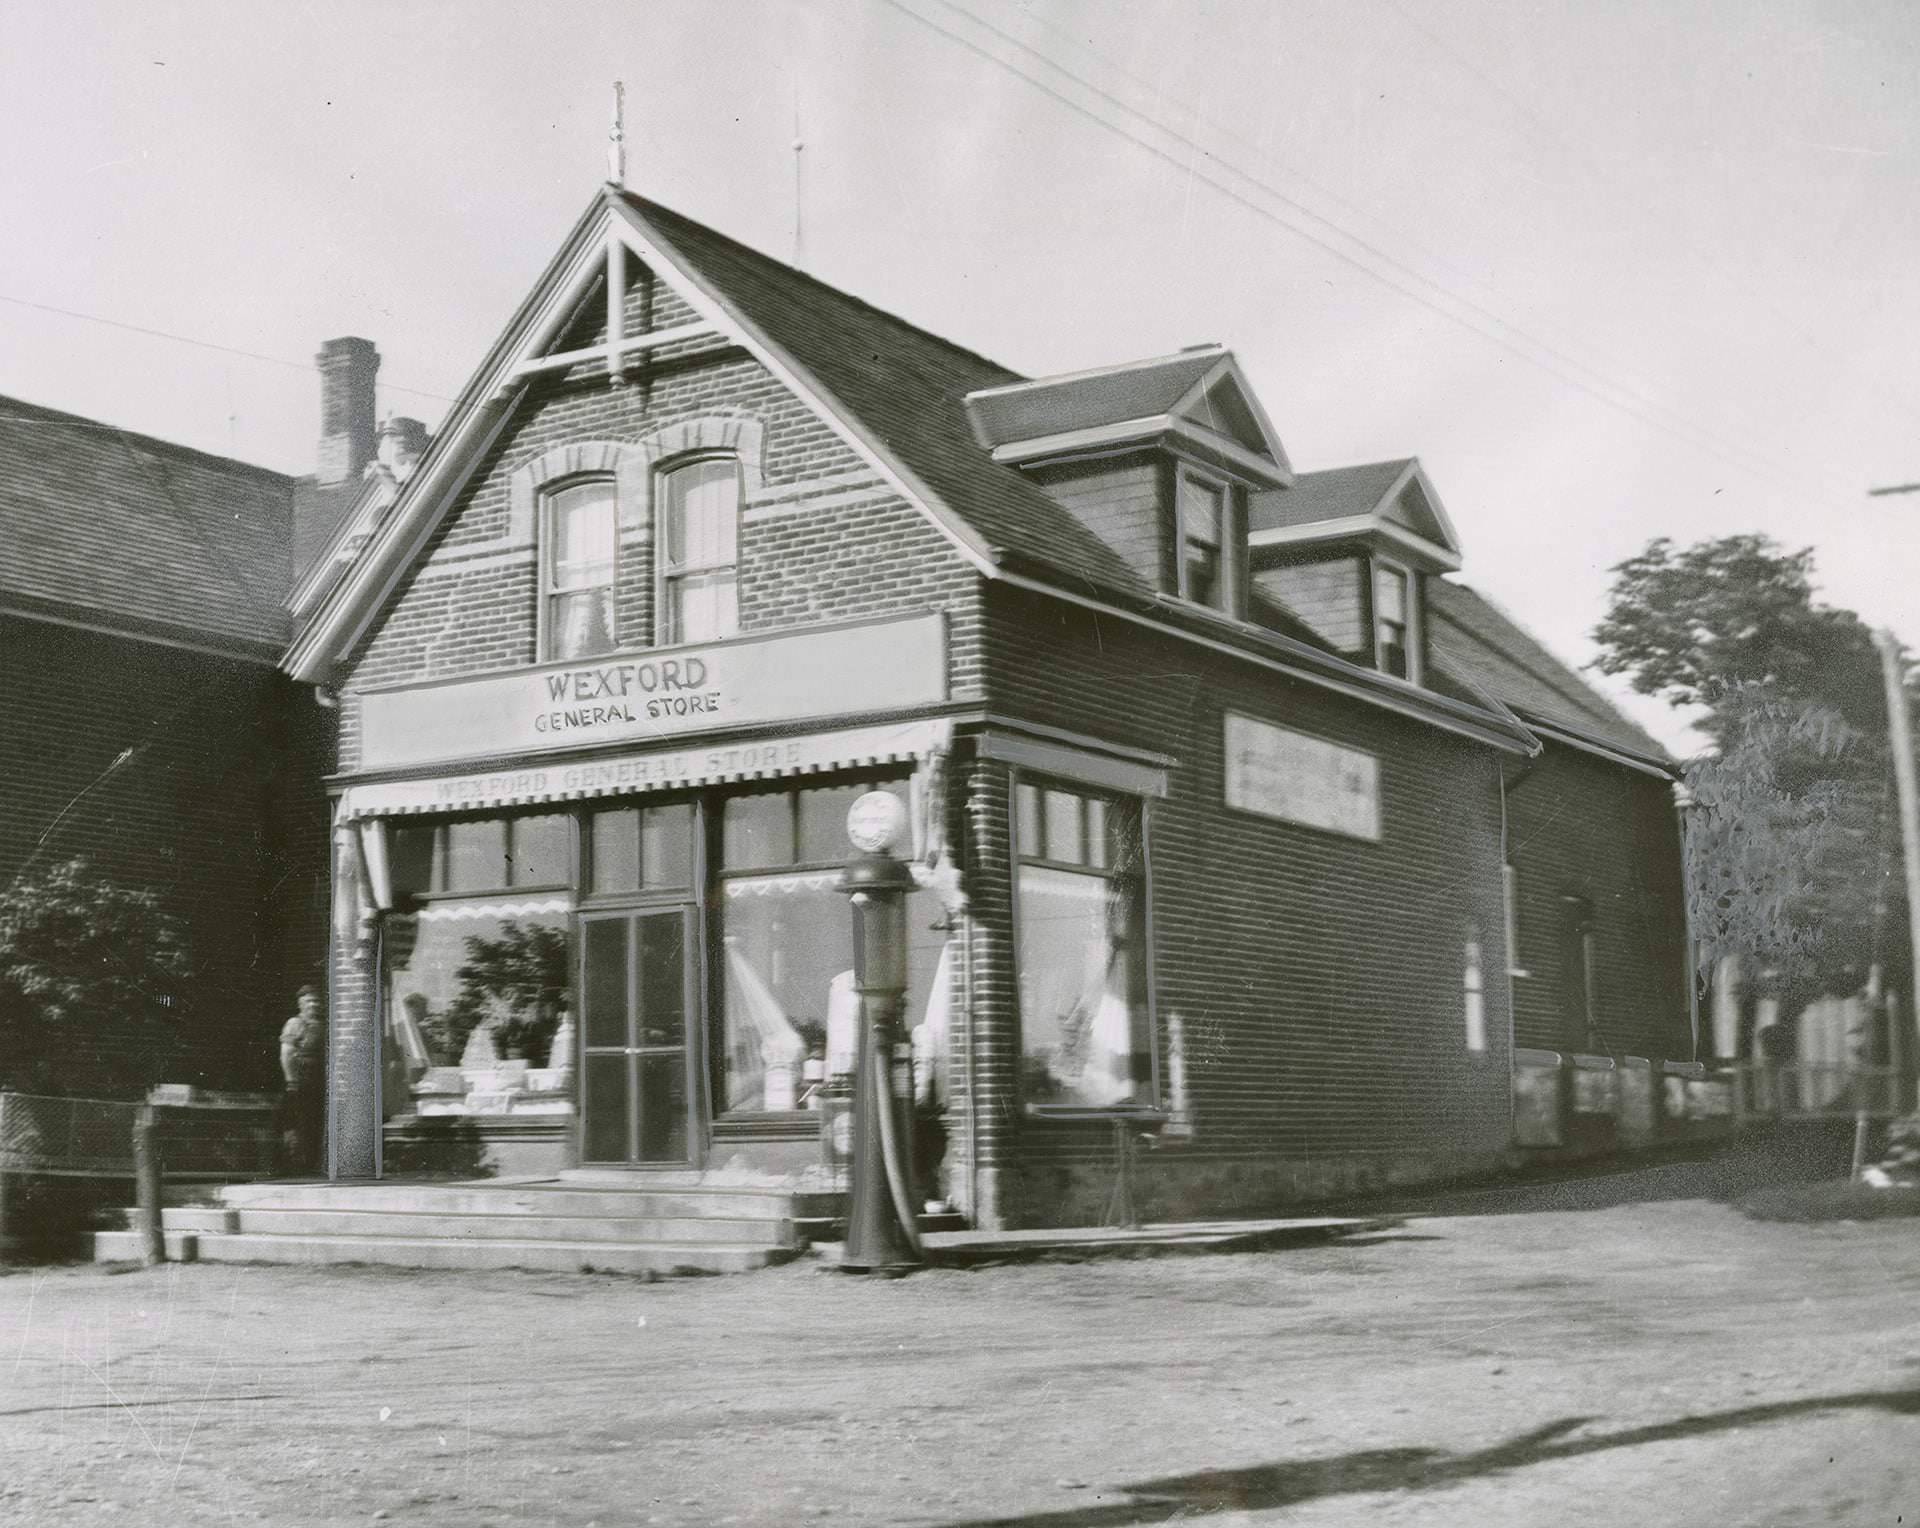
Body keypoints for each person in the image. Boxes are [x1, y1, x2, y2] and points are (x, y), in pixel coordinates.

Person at [279, 985, 327, 1174]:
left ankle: (312, 1164)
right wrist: (292, 1081)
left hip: (318, 1079)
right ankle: (294, 1164)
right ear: (300, 1004)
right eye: (309, 1001)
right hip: (300, 1079)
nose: (314, 1004)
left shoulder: (322, 1025)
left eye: (316, 1001)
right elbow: (287, 1053)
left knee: (315, 1121)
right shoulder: (295, 1023)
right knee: (298, 1122)